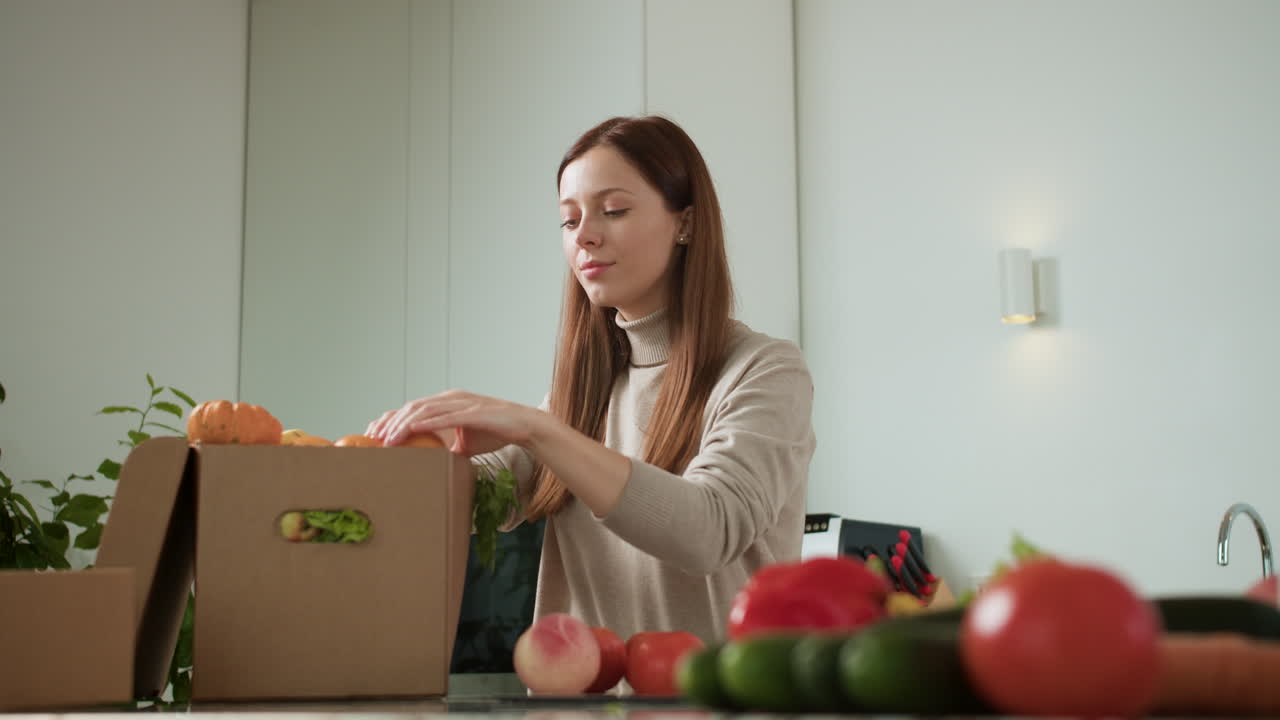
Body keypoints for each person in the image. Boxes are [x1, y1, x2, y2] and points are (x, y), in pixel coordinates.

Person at [366, 115, 815, 648]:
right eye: (569, 219)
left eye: (614, 210)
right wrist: (422, 454)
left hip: (712, 704)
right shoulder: (580, 394)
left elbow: (709, 529)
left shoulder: (763, 370)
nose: (585, 235)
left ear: (686, 224)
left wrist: (534, 429)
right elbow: (479, 499)